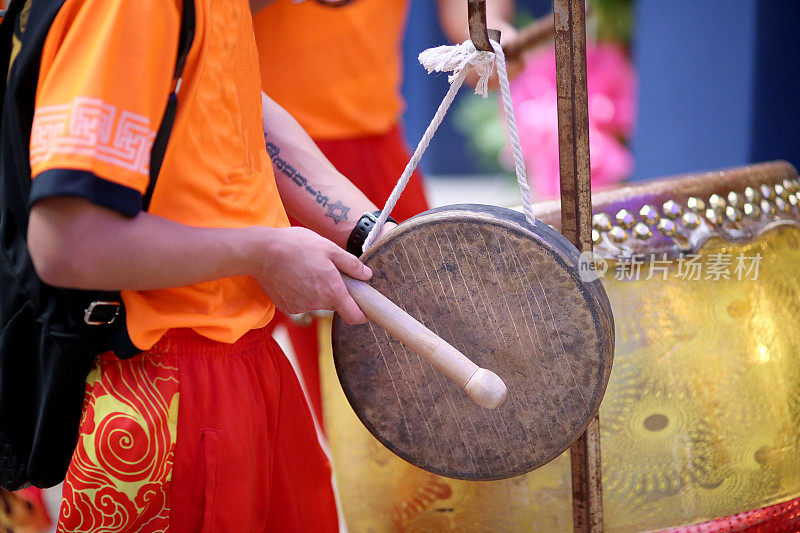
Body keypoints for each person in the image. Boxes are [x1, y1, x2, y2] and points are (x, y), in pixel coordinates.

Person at [24, 0, 392, 530]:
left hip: (247, 362)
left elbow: (235, 104)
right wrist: (261, 250)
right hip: (165, 385)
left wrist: (374, 235)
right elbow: (68, 242)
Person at [253, 0, 518, 425]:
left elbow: (471, 28)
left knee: (416, 376)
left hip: (373, 155)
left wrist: (493, 40)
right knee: (232, 362)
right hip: (252, 147)